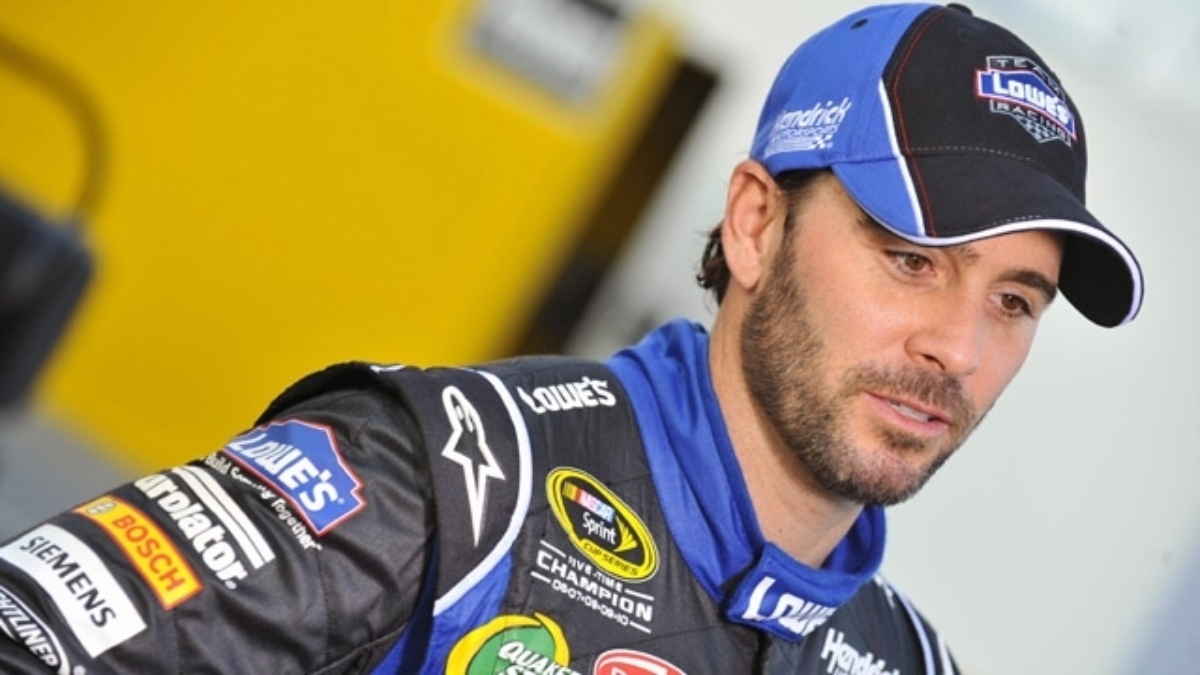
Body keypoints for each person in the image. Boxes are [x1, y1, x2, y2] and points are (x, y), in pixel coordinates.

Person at [0, 3, 1142, 674]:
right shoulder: (444, 486)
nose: (958, 348)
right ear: (757, 224)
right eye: (910, 259)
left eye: (1014, 301)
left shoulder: (903, 661)